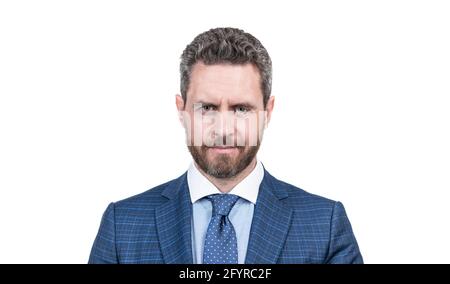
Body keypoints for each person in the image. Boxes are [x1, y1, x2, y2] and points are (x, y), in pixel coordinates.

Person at [89, 27, 363, 264]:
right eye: (207, 107)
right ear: (181, 110)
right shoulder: (121, 226)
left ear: (268, 112)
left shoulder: (324, 225)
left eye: (241, 109)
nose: (223, 129)